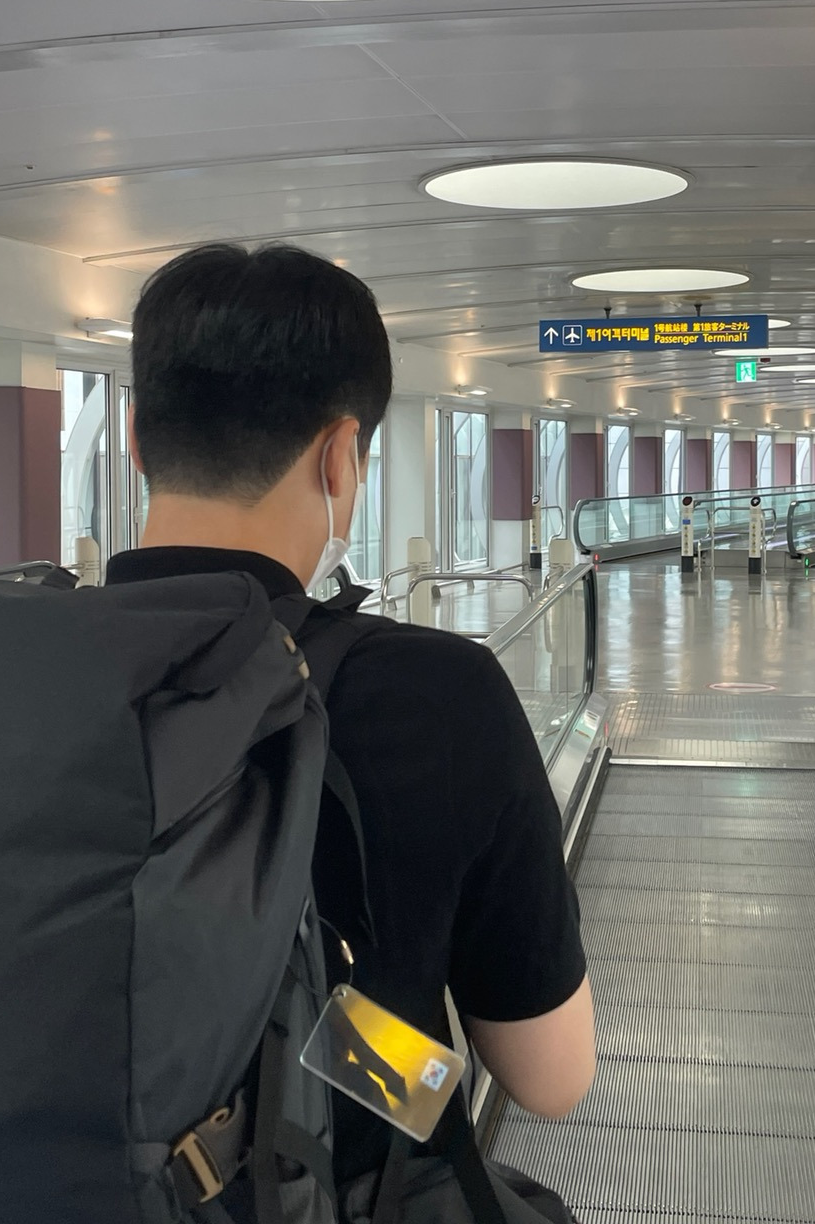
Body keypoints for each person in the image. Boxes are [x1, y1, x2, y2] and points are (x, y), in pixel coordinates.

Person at [108, 241, 596, 1195]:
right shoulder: (435, 693)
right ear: (340, 457)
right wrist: (365, 1022)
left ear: (134, 437)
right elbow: (551, 1078)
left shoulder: (4, 678)